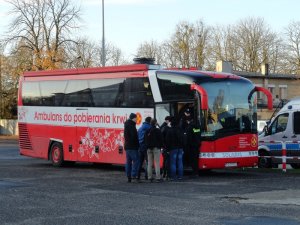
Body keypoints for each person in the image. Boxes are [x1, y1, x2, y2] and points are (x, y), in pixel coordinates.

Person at [124, 113, 140, 183]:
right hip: (132, 147)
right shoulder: (132, 126)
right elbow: (134, 137)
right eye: (136, 118)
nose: (137, 119)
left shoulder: (127, 125)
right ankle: (133, 174)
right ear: (133, 118)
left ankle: (128, 176)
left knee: (128, 162)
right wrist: (137, 144)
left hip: (127, 146)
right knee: (137, 160)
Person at [137, 116, 152, 181]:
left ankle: (138, 176)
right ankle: (147, 175)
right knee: (148, 161)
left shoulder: (140, 128)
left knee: (140, 162)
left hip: (140, 146)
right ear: (150, 121)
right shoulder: (149, 127)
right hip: (145, 146)